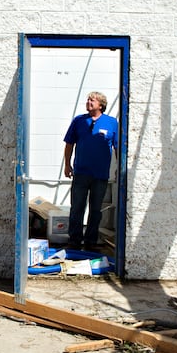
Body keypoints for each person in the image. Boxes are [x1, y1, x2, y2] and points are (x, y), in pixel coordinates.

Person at [63, 91, 118, 251]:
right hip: (81, 172)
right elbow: (69, 144)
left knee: (95, 209)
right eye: (88, 99)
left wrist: (118, 170)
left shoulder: (111, 122)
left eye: (92, 100)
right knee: (77, 207)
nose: (88, 102)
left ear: (101, 105)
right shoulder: (79, 121)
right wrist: (67, 164)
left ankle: (91, 242)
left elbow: (117, 147)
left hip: (100, 174)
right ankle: (74, 241)